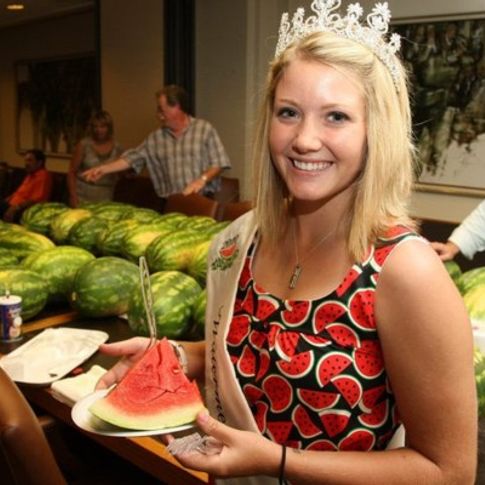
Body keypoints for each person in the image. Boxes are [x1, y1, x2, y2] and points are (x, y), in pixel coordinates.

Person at [95, 1, 477, 484]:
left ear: (374, 131)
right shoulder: (242, 243)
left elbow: (449, 471)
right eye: (289, 112)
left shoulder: (404, 270)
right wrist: (177, 356)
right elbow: (262, 355)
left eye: (336, 116)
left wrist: (276, 461)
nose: (304, 139)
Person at [83, 85, 231, 209]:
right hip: (170, 205)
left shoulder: (204, 129)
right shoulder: (155, 138)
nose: (158, 114)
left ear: (176, 107)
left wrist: (201, 180)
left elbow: (219, 162)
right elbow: (131, 159)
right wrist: (103, 169)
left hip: (203, 203)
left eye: (161, 109)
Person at [67, 110, 123, 207]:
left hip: (106, 196)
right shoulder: (84, 145)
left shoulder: (118, 147)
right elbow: (72, 171)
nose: (98, 130)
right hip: (82, 195)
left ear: (109, 128)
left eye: (102, 127)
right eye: (95, 127)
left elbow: (121, 172)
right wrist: (73, 196)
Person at [0, 149, 52, 222]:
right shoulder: (30, 174)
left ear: (39, 163)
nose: (26, 163)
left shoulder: (43, 175)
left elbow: (36, 199)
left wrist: (13, 209)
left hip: (23, 210)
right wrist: (6, 200)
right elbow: (19, 193)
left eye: (30, 160)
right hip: (11, 205)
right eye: (26, 160)